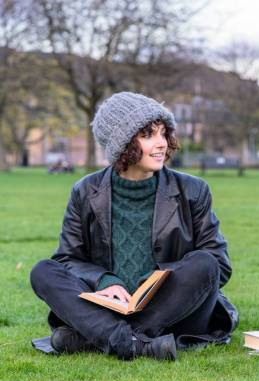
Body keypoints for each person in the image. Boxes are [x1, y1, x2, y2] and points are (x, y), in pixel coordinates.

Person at [30, 92, 237, 361]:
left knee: (205, 263)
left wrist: (156, 282)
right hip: (107, 307)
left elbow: (219, 265)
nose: (162, 143)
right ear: (122, 143)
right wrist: (105, 281)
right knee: (43, 271)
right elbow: (67, 259)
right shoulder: (85, 191)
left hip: (173, 311)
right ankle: (137, 341)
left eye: (164, 133)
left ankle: (102, 338)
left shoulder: (193, 190)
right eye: (149, 134)